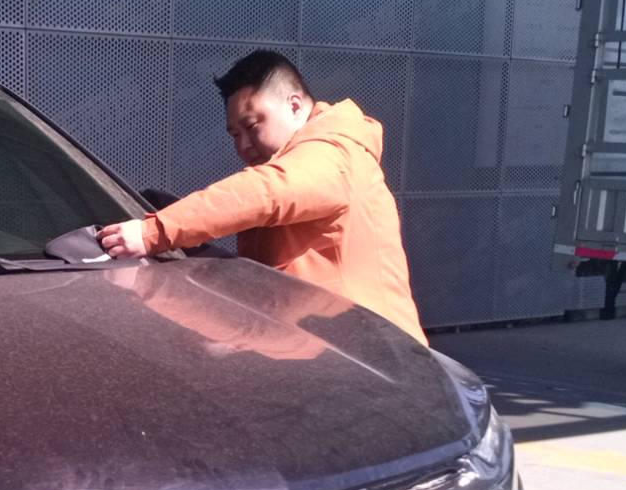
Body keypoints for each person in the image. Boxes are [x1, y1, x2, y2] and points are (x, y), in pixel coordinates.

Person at [97, 51, 425, 344]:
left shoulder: (334, 155)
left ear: (294, 106)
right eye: (234, 134)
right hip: (328, 350)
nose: (243, 145)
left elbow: (266, 192)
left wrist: (153, 232)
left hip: (372, 359)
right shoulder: (310, 158)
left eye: (252, 126)